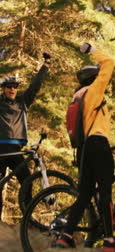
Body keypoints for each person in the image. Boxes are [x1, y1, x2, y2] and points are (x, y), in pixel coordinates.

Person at [55, 43, 115, 251]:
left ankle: (66, 235)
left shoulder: (77, 97)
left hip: (84, 150)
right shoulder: (95, 90)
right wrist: (92, 50)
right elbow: (109, 62)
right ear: (94, 78)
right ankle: (109, 240)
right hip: (98, 144)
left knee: (85, 195)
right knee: (105, 192)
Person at [0, 52, 51, 220]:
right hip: (0, 150)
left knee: (27, 182)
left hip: (16, 149)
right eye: (9, 87)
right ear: (3, 89)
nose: (12, 89)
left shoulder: (22, 102)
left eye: (15, 86)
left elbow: (34, 86)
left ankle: (27, 218)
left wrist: (45, 66)